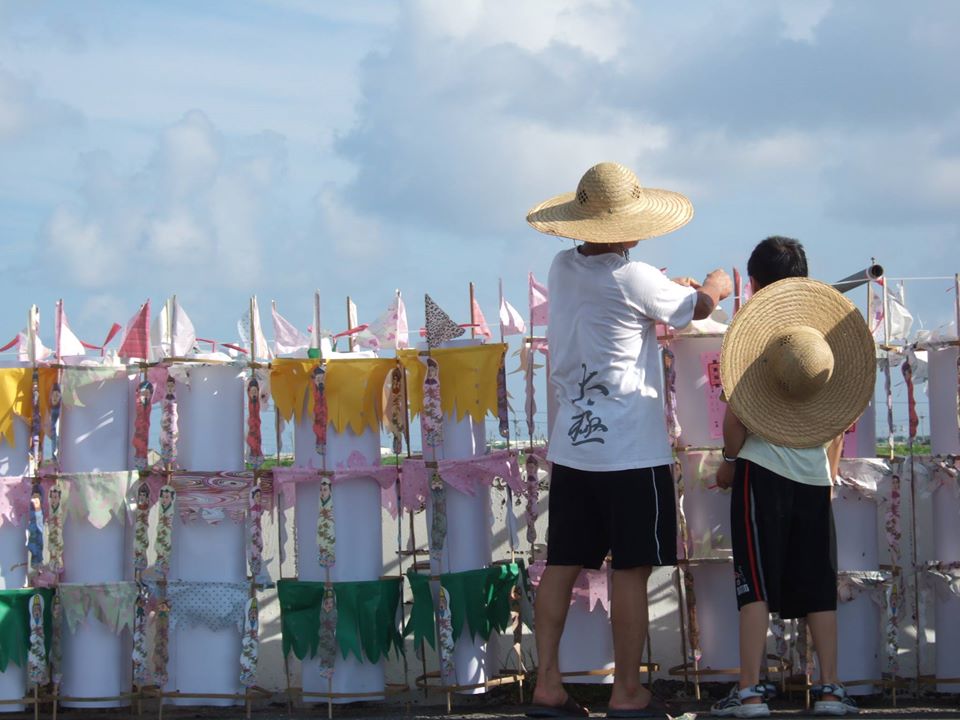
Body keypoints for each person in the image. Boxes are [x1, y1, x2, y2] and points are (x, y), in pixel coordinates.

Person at [525, 161, 732, 717]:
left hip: (573, 446)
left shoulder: (562, 267)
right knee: (632, 569)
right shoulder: (636, 277)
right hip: (630, 449)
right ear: (624, 223)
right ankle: (627, 691)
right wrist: (715, 283)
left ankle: (546, 684)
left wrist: (673, 289)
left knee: (563, 560)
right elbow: (698, 310)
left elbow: (636, 299)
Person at [713, 237, 875, 718]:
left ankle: (749, 692)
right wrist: (825, 477)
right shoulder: (820, 345)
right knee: (817, 587)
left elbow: (737, 424)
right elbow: (837, 427)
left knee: (755, 586)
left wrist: (726, 463)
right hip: (812, 479)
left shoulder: (758, 346)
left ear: (756, 285)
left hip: (759, 476)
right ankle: (829, 689)